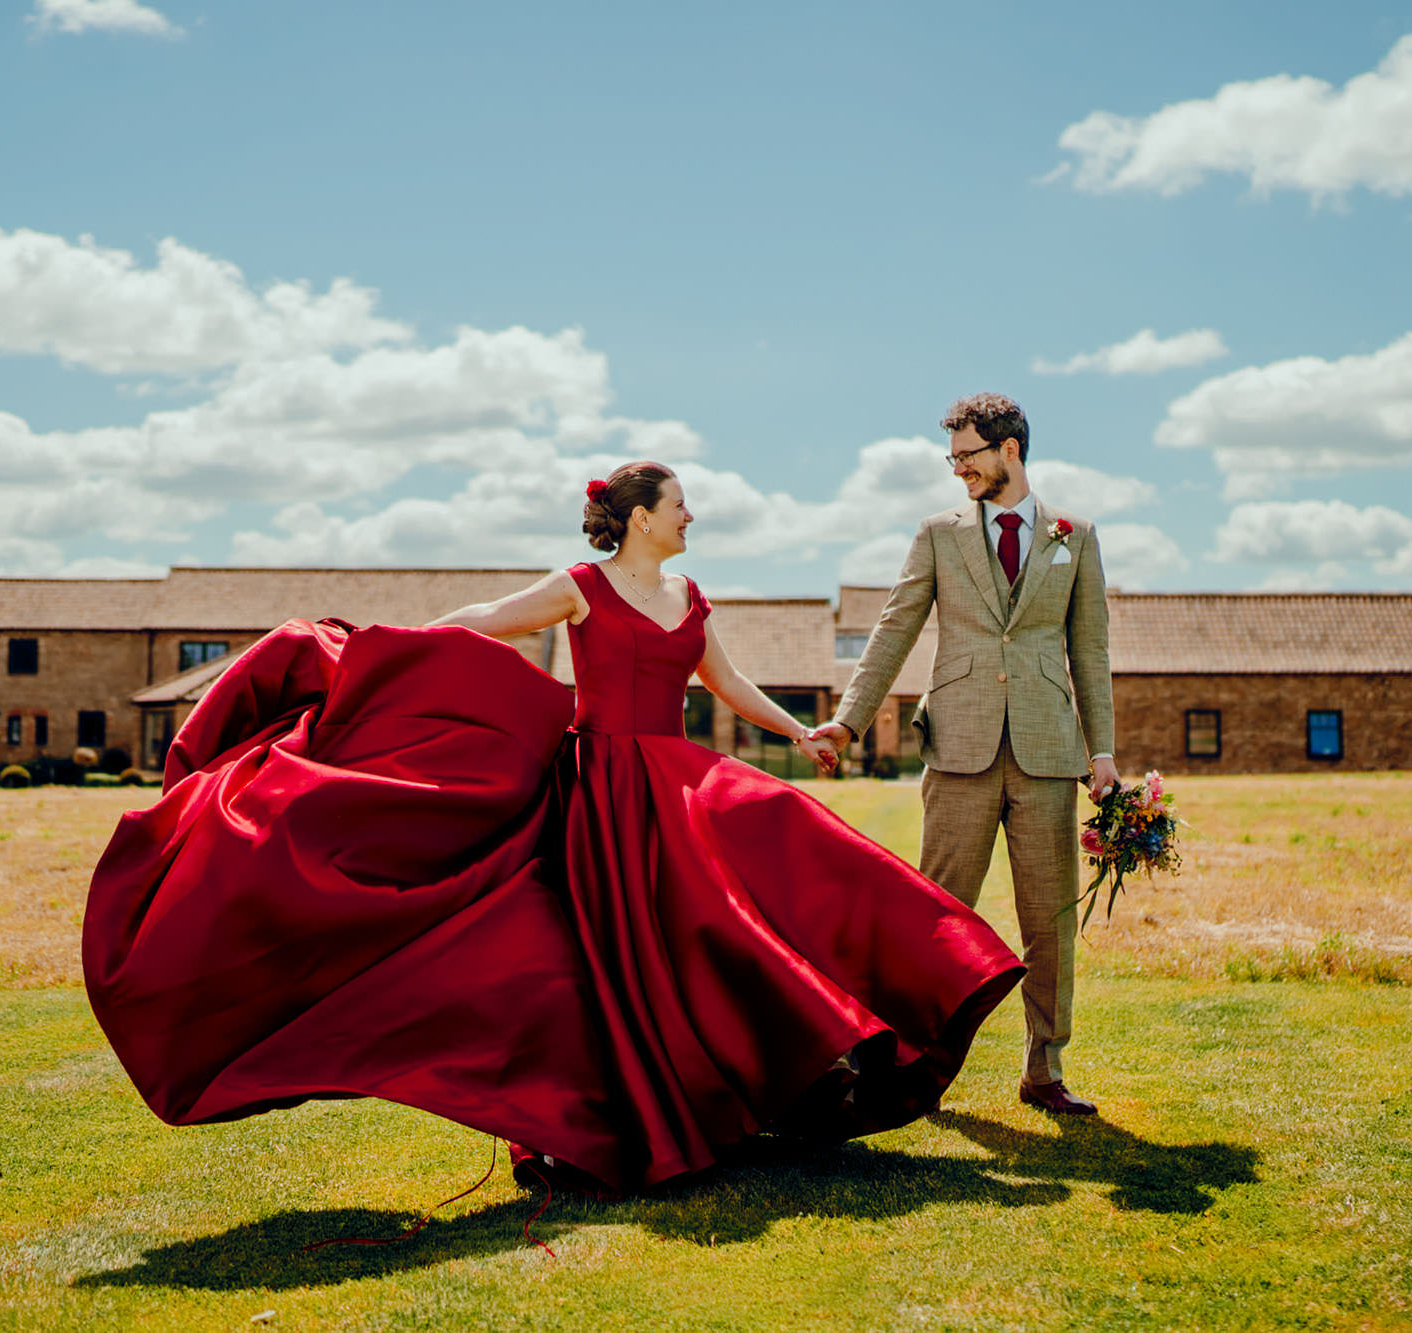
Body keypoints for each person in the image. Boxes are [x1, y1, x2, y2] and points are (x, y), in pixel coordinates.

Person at [81, 461, 1025, 1196]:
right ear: (643, 515)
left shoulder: (694, 604)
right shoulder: (580, 584)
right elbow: (488, 621)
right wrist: (389, 651)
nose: (693, 516)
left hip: (680, 780)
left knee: (789, 847)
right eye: (682, 503)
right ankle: (650, 1113)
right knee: (622, 957)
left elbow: (729, 691)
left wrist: (805, 732)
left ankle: (887, 1007)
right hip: (601, 791)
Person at [814, 393, 1118, 1117]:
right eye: (951, 459)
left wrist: (1101, 750)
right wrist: (847, 723)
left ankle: (1044, 1069)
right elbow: (893, 629)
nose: (958, 472)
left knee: (1048, 920)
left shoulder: (1076, 536)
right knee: (938, 916)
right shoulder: (938, 534)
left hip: (1048, 752)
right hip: (958, 748)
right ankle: (915, 1065)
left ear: (1009, 449)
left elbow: (1091, 650)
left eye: (968, 456)